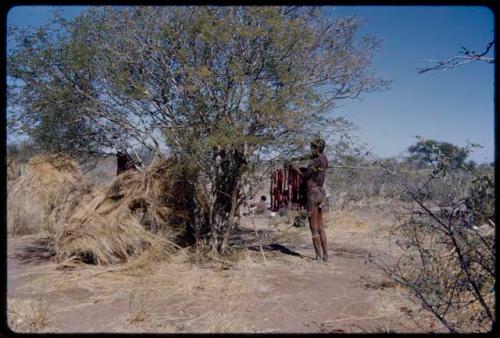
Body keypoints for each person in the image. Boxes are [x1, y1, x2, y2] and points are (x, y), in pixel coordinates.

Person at [290, 138, 329, 261]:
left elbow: (305, 176)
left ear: (316, 148)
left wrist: (295, 169)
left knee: (313, 227)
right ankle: (326, 256)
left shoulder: (316, 160)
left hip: (312, 194)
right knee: (320, 226)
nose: (310, 150)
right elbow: (312, 169)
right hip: (321, 193)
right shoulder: (324, 159)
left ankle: (317, 256)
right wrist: (301, 160)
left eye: (312, 148)